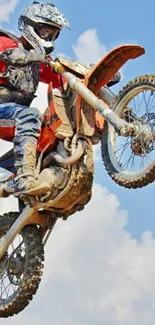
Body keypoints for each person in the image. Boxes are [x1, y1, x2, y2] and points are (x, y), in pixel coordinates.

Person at [0, 1, 70, 196]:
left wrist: (95, 77)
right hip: (7, 111)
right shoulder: (7, 42)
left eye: (53, 34)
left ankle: (24, 216)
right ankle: (24, 179)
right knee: (30, 116)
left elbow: (64, 82)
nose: (48, 37)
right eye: (45, 31)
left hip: (10, 118)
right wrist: (29, 56)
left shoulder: (40, 62)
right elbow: (6, 55)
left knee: (48, 134)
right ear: (31, 26)